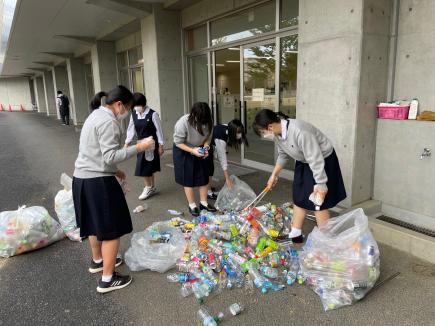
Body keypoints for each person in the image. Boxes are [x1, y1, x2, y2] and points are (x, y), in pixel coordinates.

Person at [72, 85, 155, 293]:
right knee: (111, 230)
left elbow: (96, 153)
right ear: (119, 105)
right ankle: (107, 279)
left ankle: (98, 260)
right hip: (98, 183)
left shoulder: (95, 115)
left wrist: (115, 171)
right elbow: (109, 156)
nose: (127, 113)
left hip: (82, 178)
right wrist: (140, 147)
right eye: (127, 108)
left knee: (94, 224)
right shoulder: (109, 122)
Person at [252, 109, 346, 243]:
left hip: (322, 160)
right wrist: (274, 175)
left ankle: (327, 241)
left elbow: (315, 158)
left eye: (263, 132)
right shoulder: (278, 134)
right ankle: (295, 233)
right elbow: (283, 155)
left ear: (270, 127)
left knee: (318, 202)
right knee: (299, 195)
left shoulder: (300, 132)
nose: (264, 135)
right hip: (304, 160)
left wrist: (321, 184)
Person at [173, 102, 217, 216]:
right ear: (193, 115)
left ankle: (203, 203)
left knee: (204, 175)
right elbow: (178, 142)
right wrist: (192, 150)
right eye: (199, 119)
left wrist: (206, 147)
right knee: (188, 177)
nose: (202, 122)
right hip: (183, 149)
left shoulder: (208, 121)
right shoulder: (183, 122)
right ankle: (192, 204)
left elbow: (208, 138)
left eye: (204, 120)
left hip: (200, 148)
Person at [125, 93, 164, 200]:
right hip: (141, 143)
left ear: (143, 104)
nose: (136, 107)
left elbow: (159, 130)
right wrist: (126, 143)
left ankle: (148, 187)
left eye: (137, 105)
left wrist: (161, 145)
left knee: (144, 167)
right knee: (146, 166)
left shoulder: (153, 114)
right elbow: (130, 129)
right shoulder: (134, 114)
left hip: (151, 143)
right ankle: (151, 187)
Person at [206, 119, 248, 199]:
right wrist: (227, 179)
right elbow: (223, 159)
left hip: (209, 143)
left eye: (240, 132)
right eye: (238, 132)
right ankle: (208, 192)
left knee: (210, 168)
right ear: (232, 131)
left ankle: (208, 187)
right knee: (208, 169)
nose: (240, 134)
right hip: (203, 145)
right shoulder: (221, 138)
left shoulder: (227, 127)